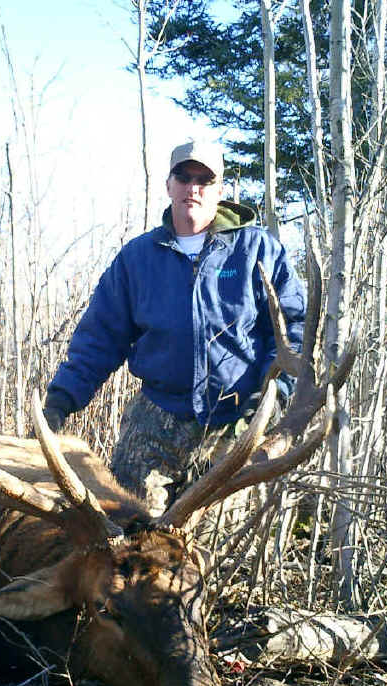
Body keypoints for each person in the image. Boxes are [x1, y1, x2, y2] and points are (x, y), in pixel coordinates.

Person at [43, 140, 306, 517]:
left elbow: (292, 332)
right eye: (184, 177)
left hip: (234, 424)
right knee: (130, 536)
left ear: (220, 190)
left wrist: (273, 395)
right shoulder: (138, 258)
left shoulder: (259, 251)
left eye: (204, 180)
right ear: (169, 185)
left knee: (213, 541)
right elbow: (99, 341)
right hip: (156, 421)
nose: (193, 188)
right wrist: (60, 402)